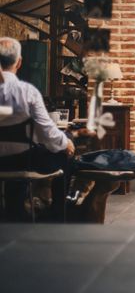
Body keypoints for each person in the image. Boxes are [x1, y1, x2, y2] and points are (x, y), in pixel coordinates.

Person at [0, 37, 75, 218]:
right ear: (19, 62)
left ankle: (14, 208)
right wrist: (66, 143)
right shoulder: (27, 92)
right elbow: (47, 132)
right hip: (24, 161)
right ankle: (57, 216)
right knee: (64, 153)